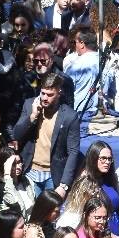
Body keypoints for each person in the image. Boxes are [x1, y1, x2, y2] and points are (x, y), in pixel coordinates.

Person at [12, 74, 80, 202]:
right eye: (42, 93)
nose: (44, 98)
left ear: (59, 93)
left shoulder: (70, 116)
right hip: (30, 171)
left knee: (50, 217)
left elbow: (73, 152)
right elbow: (16, 135)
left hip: (53, 176)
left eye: (50, 95)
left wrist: (64, 185)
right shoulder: (29, 105)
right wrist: (32, 116)